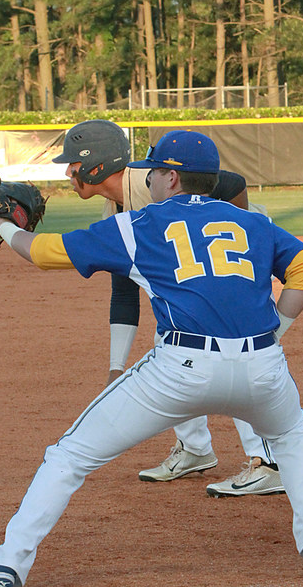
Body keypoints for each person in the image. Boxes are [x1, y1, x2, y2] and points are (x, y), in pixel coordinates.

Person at [0, 130, 303, 587]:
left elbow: (42, 252)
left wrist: (3, 223)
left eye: (153, 171)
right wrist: (275, 332)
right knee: (292, 437)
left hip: (180, 371)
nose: (147, 179)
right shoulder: (255, 222)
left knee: (69, 456)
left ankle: (4, 568)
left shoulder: (138, 224)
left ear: (171, 178)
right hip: (262, 367)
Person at [52, 120, 285, 499]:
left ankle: (268, 463)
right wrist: (115, 368)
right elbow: (124, 291)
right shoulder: (115, 210)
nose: (68, 173)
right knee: (173, 345)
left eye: (73, 164)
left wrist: (238, 231)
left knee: (229, 350)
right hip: (202, 269)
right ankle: (195, 449)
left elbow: (233, 183)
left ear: (96, 166)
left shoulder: (149, 182)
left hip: (235, 262)